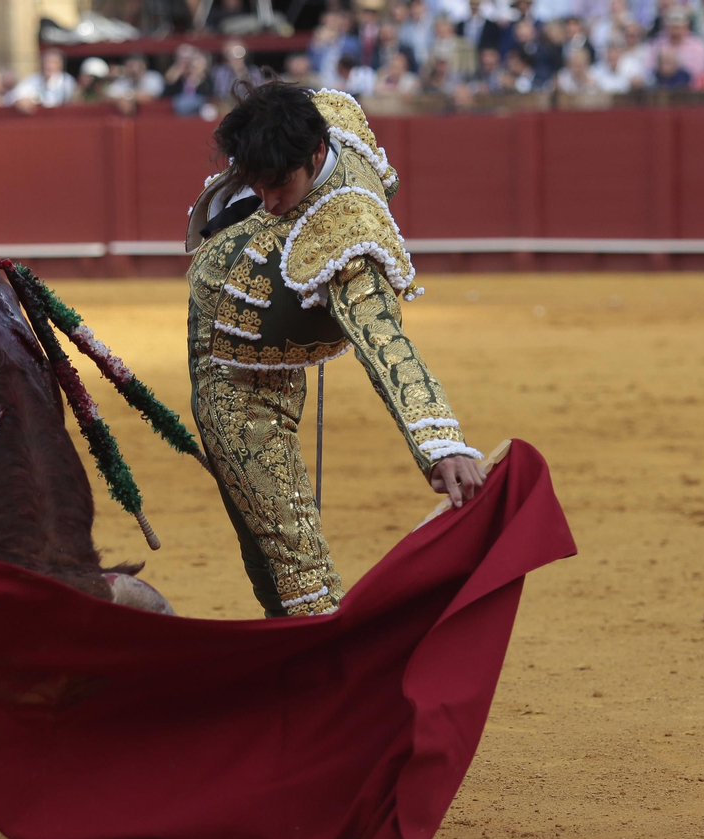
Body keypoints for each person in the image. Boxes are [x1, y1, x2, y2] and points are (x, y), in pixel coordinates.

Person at [182, 82, 484, 617]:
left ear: (317, 154)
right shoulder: (327, 116)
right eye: (256, 183)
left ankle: (327, 683)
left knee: (297, 571)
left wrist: (441, 443)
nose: (269, 200)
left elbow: (382, 337)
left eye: (279, 184)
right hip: (243, 356)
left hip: (243, 390)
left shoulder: (346, 231)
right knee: (270, 548)